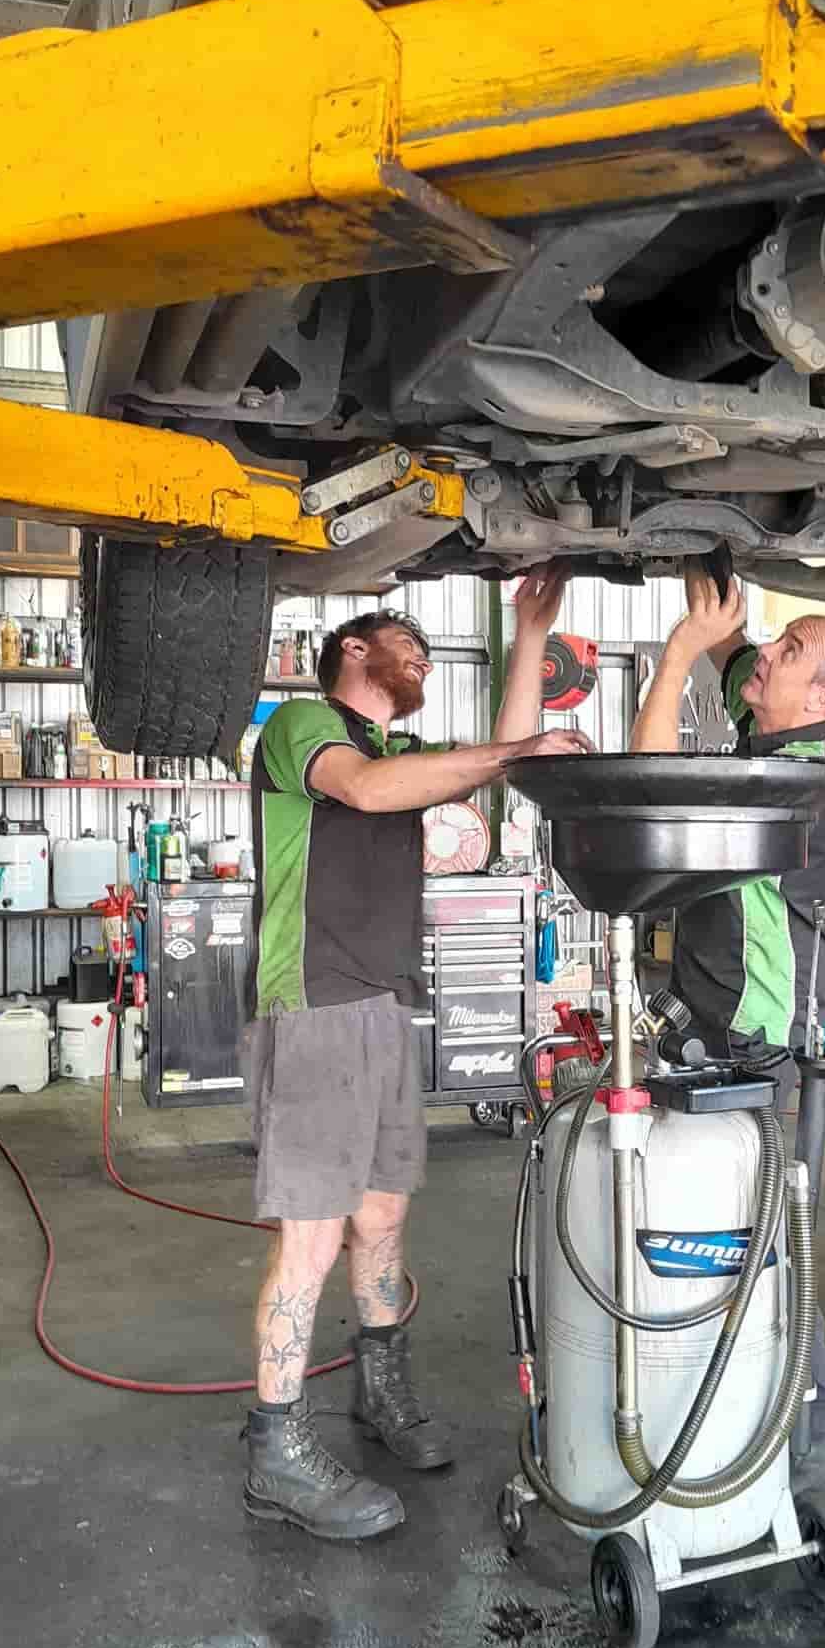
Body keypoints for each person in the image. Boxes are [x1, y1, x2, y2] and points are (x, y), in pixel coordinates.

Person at [242, 565, 590, 1541]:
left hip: (384, 1004)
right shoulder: (304, 726)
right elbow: (366, 790)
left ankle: (379, 1392)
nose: (426, 660)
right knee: (312, 1236)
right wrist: (510, 748)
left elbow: (493, 763)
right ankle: (275, 1451)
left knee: (383, 1217)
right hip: (315, 1006)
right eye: (409, 644)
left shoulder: (402, 749)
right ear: (353, 649)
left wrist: (530, 634)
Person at [631, 563, 825, 1491]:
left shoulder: (796, 776)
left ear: (818, 698)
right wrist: (711, 569)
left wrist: (677, 654)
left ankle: (818, 1429)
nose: (765, 655)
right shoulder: (783, 716)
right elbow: (741, 656)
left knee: (765, 1239)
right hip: (726, 1022)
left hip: (759, 1040)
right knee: (728, 1229)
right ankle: (734, 1408)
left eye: (789, 649)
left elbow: (653, 790)